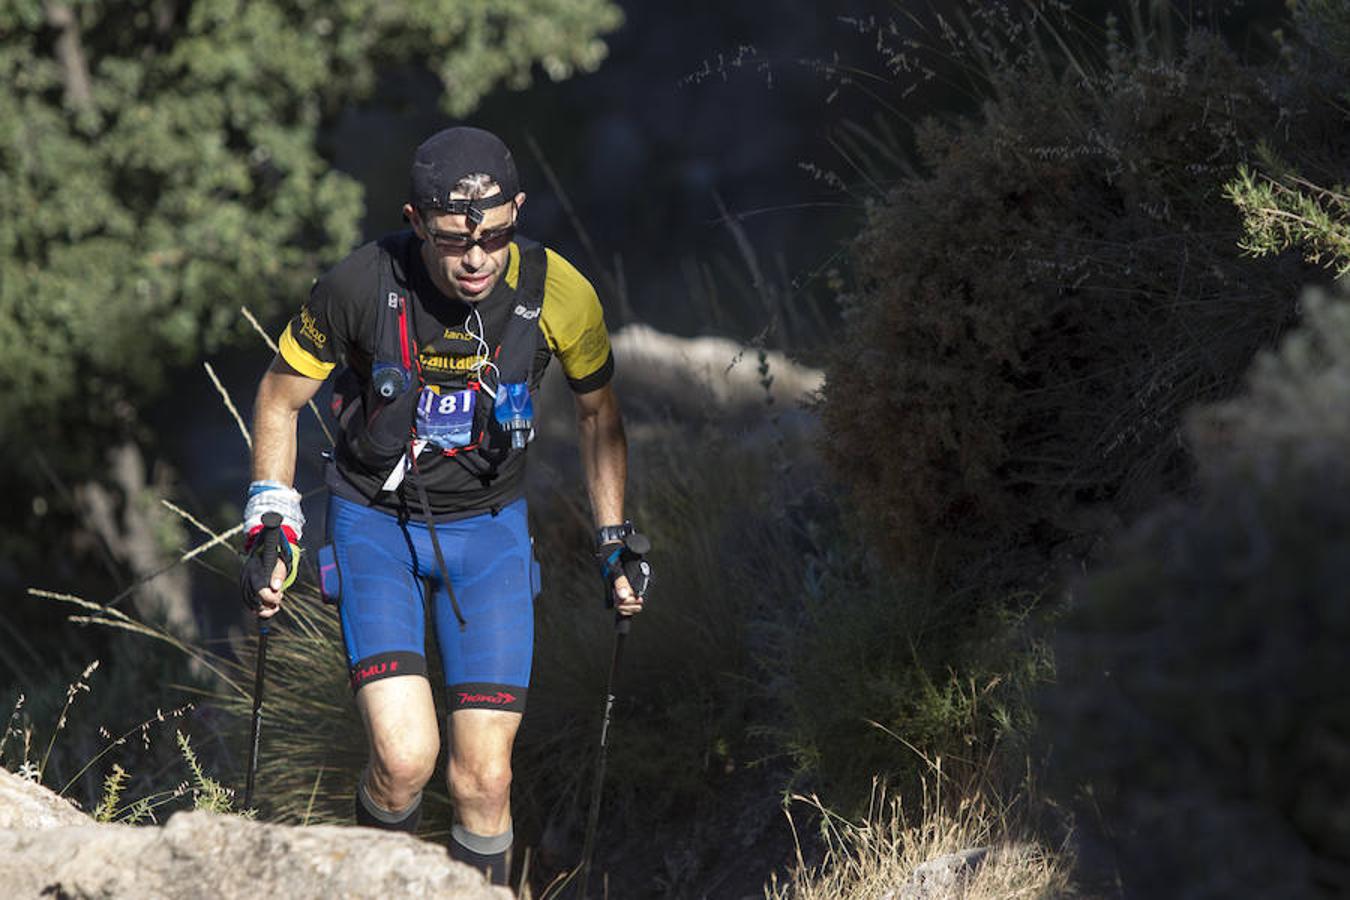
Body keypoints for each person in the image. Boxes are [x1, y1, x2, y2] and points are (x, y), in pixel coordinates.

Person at [239, 126, 649, 887]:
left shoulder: (559, 291)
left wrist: (613, 538)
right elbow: (276, 396)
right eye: (456, 239)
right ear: (417, 219)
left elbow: (600, 416)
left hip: (490, 533)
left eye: (495, 237)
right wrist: (273, 518)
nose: (477, 259)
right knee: (403, 762)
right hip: (375, 527)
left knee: (484, 780)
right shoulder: (361, 285)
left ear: (517, 213)